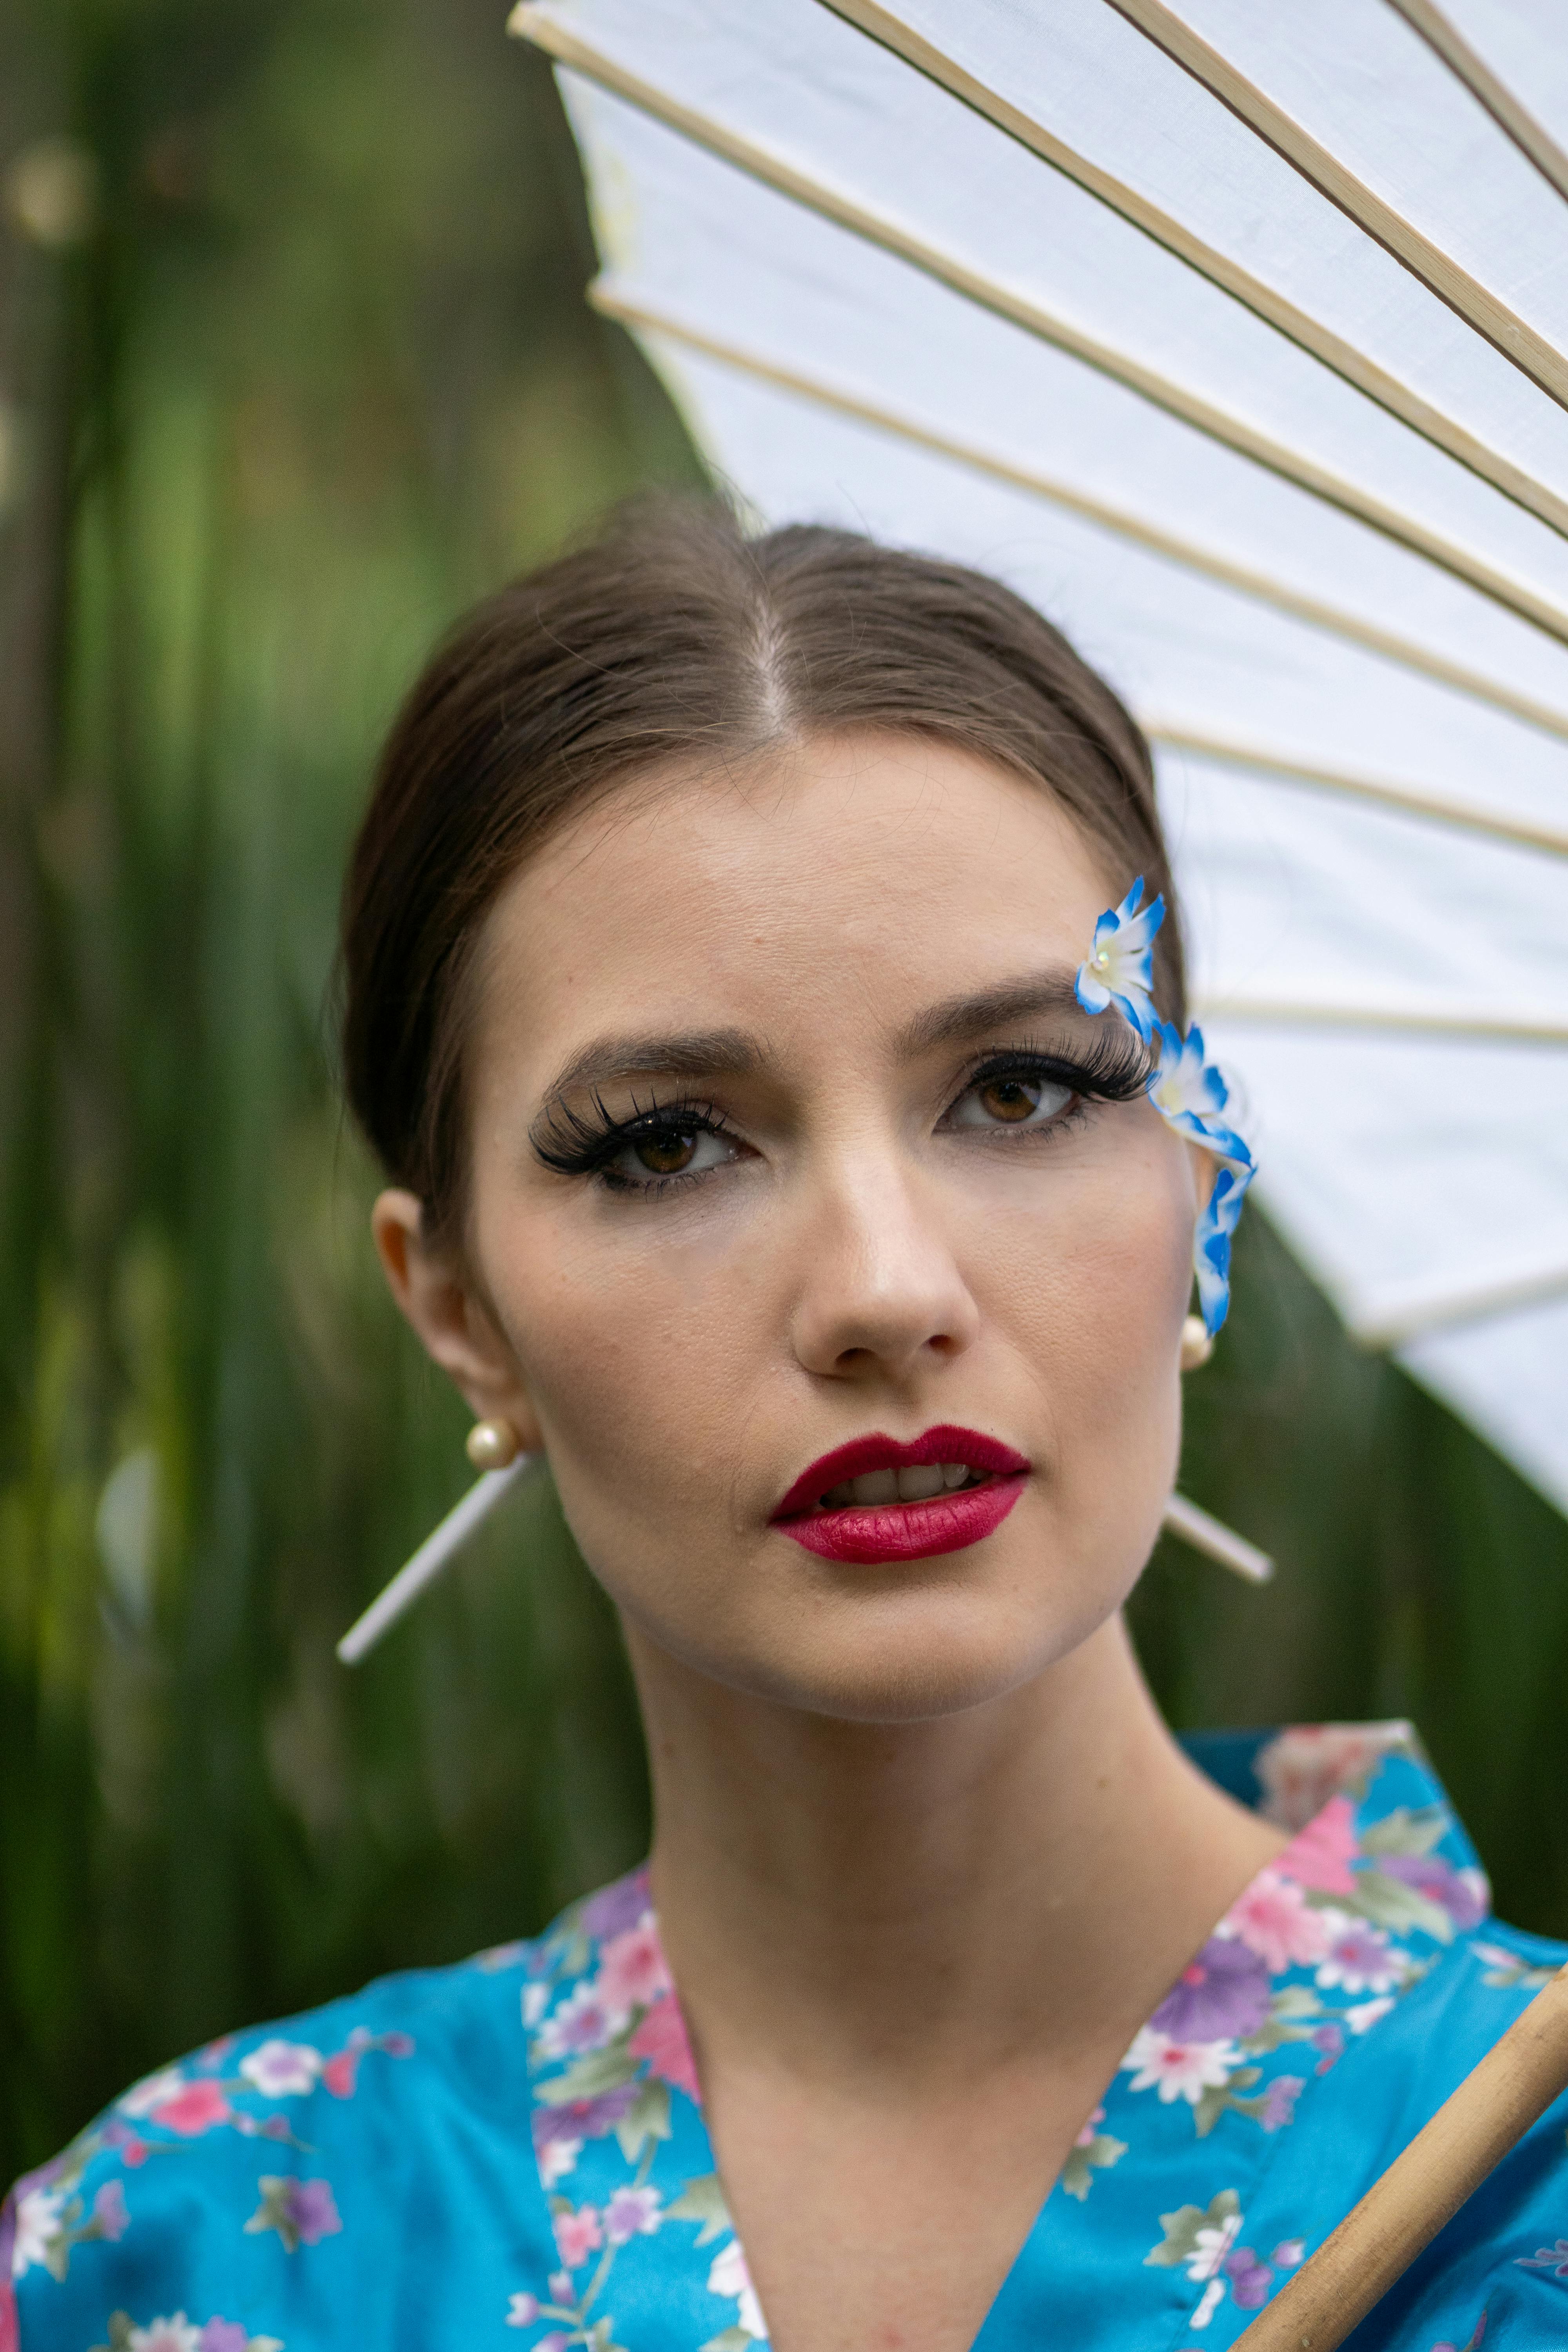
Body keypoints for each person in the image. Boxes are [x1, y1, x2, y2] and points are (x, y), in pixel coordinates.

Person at [5, 503, 1564, 2352]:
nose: (883, 1288)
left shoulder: (1524, 2187)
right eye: (666, 1143)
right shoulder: (184, 2258)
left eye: (1020, 1090)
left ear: (1201, 1183)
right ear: (462, 1315)